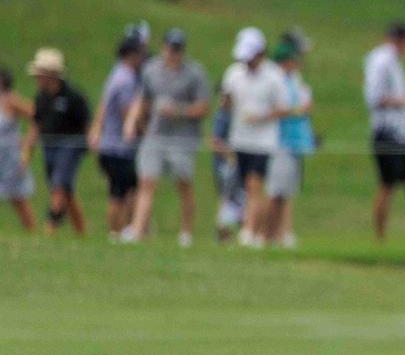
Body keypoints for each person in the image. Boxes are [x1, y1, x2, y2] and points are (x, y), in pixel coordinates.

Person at [120, 28, 210, 247]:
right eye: (171, 48)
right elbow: (143, 100)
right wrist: (135, 123)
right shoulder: (151, 70)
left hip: (182, 137)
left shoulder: (195, 73)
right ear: (163, 48)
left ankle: (185, 234)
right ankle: (138, 230)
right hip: (156, 134)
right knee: (147, 181)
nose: (173, 53)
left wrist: (178, 111)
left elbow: (203, 107)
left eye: (178, 49)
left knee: (183, 183)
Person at [222, 27, 289, 248]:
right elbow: (226, 103)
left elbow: (284, 108)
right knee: (244, 188)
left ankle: (249, 231)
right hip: (239, 139)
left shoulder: (274, 75)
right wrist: (225, 102)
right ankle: (251, 230)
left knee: (254, 186)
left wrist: (261, 117)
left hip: (264, 141)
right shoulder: (233, 73)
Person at [364, 21, 405, 241]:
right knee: (387, 184)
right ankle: (380, 238)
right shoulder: (380, 60)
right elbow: (374, 98)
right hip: (387, 131)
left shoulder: (393, 61)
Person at [21, 48, 90, 234]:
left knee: (59, 186)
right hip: (49, 145)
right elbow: (36, 125)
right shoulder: (41, 97)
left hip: (70, 145)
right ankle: (80, 230)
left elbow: (87, 123)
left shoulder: (73, 97)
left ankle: (49, 227)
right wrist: (26, 153)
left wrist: (89, 145)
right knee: (64, 190)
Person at [90, 35, 144, 240]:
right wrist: (144, 129)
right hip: (118, 147)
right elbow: (127, 112)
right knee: (121, 193)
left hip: (109, 144)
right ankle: (118, 232)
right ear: (131, 55)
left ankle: (118, 232)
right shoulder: (126, 79)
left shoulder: (116, 74)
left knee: (119, 191)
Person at [264, 38, 314, 248]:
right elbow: (277, 109)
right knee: (275, 192)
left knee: (286, 192)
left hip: (296, 142)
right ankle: (266, 235)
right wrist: (296, 109)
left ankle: (282, 233)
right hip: (279, 142)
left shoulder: (294, 79)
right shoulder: (273, 79)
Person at [0, 67, 36, 231]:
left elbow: (36, 117)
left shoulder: (12, 100)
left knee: (17, 197)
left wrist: (27, 142)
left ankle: (32, 230)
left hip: (9, 156)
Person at [209, 87, 244, 242]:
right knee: (228, 199)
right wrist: (232, 157)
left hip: (234, 164)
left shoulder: (234, 114)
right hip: (226, 166)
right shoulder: (222, 115)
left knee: (239, 199)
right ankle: (223, 233)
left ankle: (239, 231)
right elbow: (215, 141)